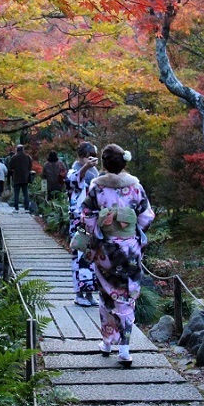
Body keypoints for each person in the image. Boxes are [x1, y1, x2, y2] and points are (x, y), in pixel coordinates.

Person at [80, 143, 155, 367]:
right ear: (124, 162)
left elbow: (86, 216)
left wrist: (97, 233)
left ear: (104, 163)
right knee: (126, 295)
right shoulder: (135, 187)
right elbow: (146, 216)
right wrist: (131, 231)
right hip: (129, 249)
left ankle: (107, 342)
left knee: (106, 293)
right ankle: (125, 348)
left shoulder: (96, 187)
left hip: (105, 250)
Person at [67, 142, 99, 306]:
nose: (90, 159)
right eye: (87, 156)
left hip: (93, 219)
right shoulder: (74, 171)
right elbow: (73, 182)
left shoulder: (96, 174)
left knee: (92, 257)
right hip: (79, 220)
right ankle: (79, 293)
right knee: (80, 256)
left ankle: (90, 294)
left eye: (92, 155)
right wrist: (85, 167)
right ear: (80, 156)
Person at [8, 145, 33, 212]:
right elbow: (30, 166)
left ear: (17, 150)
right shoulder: (27, 157)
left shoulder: (14, 157)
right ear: (23, 149)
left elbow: (10, 166)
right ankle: (26, 208)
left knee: (16, 193)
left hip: (16, 177)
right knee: (25, 193)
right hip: (25, 177)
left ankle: (16, 208)